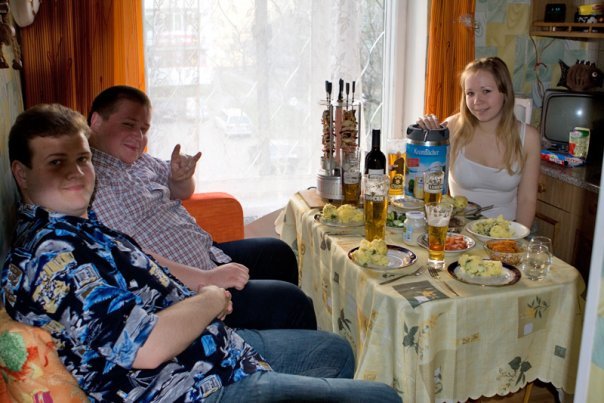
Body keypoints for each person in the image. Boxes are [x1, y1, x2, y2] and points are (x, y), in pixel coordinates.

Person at [2, 103, 402, 402]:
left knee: (334, 351)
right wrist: (210, 298)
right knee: (383, 397)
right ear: (22, 173)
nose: (75, 172)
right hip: (187, 388)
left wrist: (204, 288)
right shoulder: (53, 257)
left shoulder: (79, 226)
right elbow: (145, 347)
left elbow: (147, 266)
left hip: (209, 350)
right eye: (56, 163)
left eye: (82, 159)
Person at [87, 85, 316, 331]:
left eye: (144, 129)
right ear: (97, 121)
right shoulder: (95, 180)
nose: (139, 135)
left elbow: (183, 191)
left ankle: (270, 338)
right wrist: (206, 279)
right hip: (186, 290)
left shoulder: (140, 162)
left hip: (208, 255)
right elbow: (132, 256)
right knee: (293, 303)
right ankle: (240, 339)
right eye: (129, 124)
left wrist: (180, 178)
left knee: (279, 254)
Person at [418, 56, 540, 228]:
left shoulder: (529, 138)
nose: (477, 101)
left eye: (486, 91)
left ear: (505, 92)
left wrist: (517, 238)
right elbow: (421, 176)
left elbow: (527, 199)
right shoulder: (451, 129)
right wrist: (423, 135)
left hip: (505, 231)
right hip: (458, 231)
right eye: (470, 93)